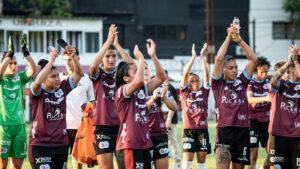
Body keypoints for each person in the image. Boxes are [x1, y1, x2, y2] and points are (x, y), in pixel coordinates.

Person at [114, 40, 167, 169]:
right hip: (129, 145)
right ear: (126, 78)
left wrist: (153, 56)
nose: (140, 72)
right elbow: (138, 81)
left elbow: (161, 77)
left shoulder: (142, 89)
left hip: (145, 143)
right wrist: (141, 58)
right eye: (136, 71)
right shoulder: (122, 90)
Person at [28, 46, 83, 169]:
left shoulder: (63, 88)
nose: (58, 78)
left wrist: (73, 57)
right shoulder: (37, 92)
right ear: (44, 80)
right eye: (53, 76)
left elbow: (79, 73)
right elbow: (37, 82)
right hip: (40, 145)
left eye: (58, 75)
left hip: (61, 145)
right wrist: (51, 61)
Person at [212, 24, 257, 169]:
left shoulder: (242, 82)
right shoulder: (217, 84)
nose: (235, 70)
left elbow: (253, 60)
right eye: (230, 68)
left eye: (236, 67)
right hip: (225, 131)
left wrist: (239, 40)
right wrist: (228, 37)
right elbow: (219, 59)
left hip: (242, 130)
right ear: (223, 70)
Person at [89, 24, 133, 169]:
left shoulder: (121, 74)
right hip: (102, 127)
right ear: (102, 59)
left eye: (113, 56)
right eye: (107, 56)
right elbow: (93, 67)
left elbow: (132, 66)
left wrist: (116, 45)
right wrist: (108, 42)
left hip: (122, 127)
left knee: (125, 166)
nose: (110, 59)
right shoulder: (99, 74)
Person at [0, 35, 36, 169]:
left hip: (20, 126)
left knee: (17, 167)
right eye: (10, 63)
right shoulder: (1, 79)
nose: (14, 66)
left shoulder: (19, 78)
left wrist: (26, 54)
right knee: (2, 166)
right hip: (3, 126)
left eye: (15, 63)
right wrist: (9, 55)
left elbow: (32, 70)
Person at [60, 48, 95, 169]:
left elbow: (93, 102)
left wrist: (90, 111)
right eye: (65, 60)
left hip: (80, 127)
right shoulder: (58, 78)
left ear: (78, 59)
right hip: (62, 127)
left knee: (77, 163)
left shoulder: (87, 79)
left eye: (70, 59)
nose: (68, 62)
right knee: (62, 162)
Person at [269, 45, 300, 168]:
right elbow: (273, 80)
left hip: (297, 137)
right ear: (292, 69)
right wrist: (289, 62)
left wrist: (296, 60)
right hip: (280, 136)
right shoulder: (282, 84)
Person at [180, 43, 211, 169]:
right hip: (188, 131)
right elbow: (184, 75)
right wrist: (193, 57)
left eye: (197, 80)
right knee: (188, 160)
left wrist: (202, 56)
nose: (195, 82)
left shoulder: (204, 92)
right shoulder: (184, 93)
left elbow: (207, 75)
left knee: (201, 158)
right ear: (188, 83)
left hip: (202, 130)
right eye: (192, 80)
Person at [145, 64, 177, 169]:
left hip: (160, 134)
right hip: (144, 135)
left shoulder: (160, 87)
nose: (145, 71)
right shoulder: (136, 89)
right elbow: (139, 110)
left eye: (146, 68)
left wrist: (165, 98)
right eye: (142, 69)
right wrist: (153, 98)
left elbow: (174, 107)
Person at [247, 57, 271, 169]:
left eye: (266, 71)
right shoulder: (250, 83)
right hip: (253, 120)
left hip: (267, 121)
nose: (265, 74)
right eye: (262, 72)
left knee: (272, 154)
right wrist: (266, 98)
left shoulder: (270, 81)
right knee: (253, 150)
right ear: (255, 71)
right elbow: (250, 99)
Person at [163, 70, 182, 169]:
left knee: (172, 141)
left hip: (170, 119)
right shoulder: (165, 87)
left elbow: (172, 105)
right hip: (167, 119)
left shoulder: (169, 88)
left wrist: (168, 119)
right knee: (170, 141)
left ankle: (178, 163)